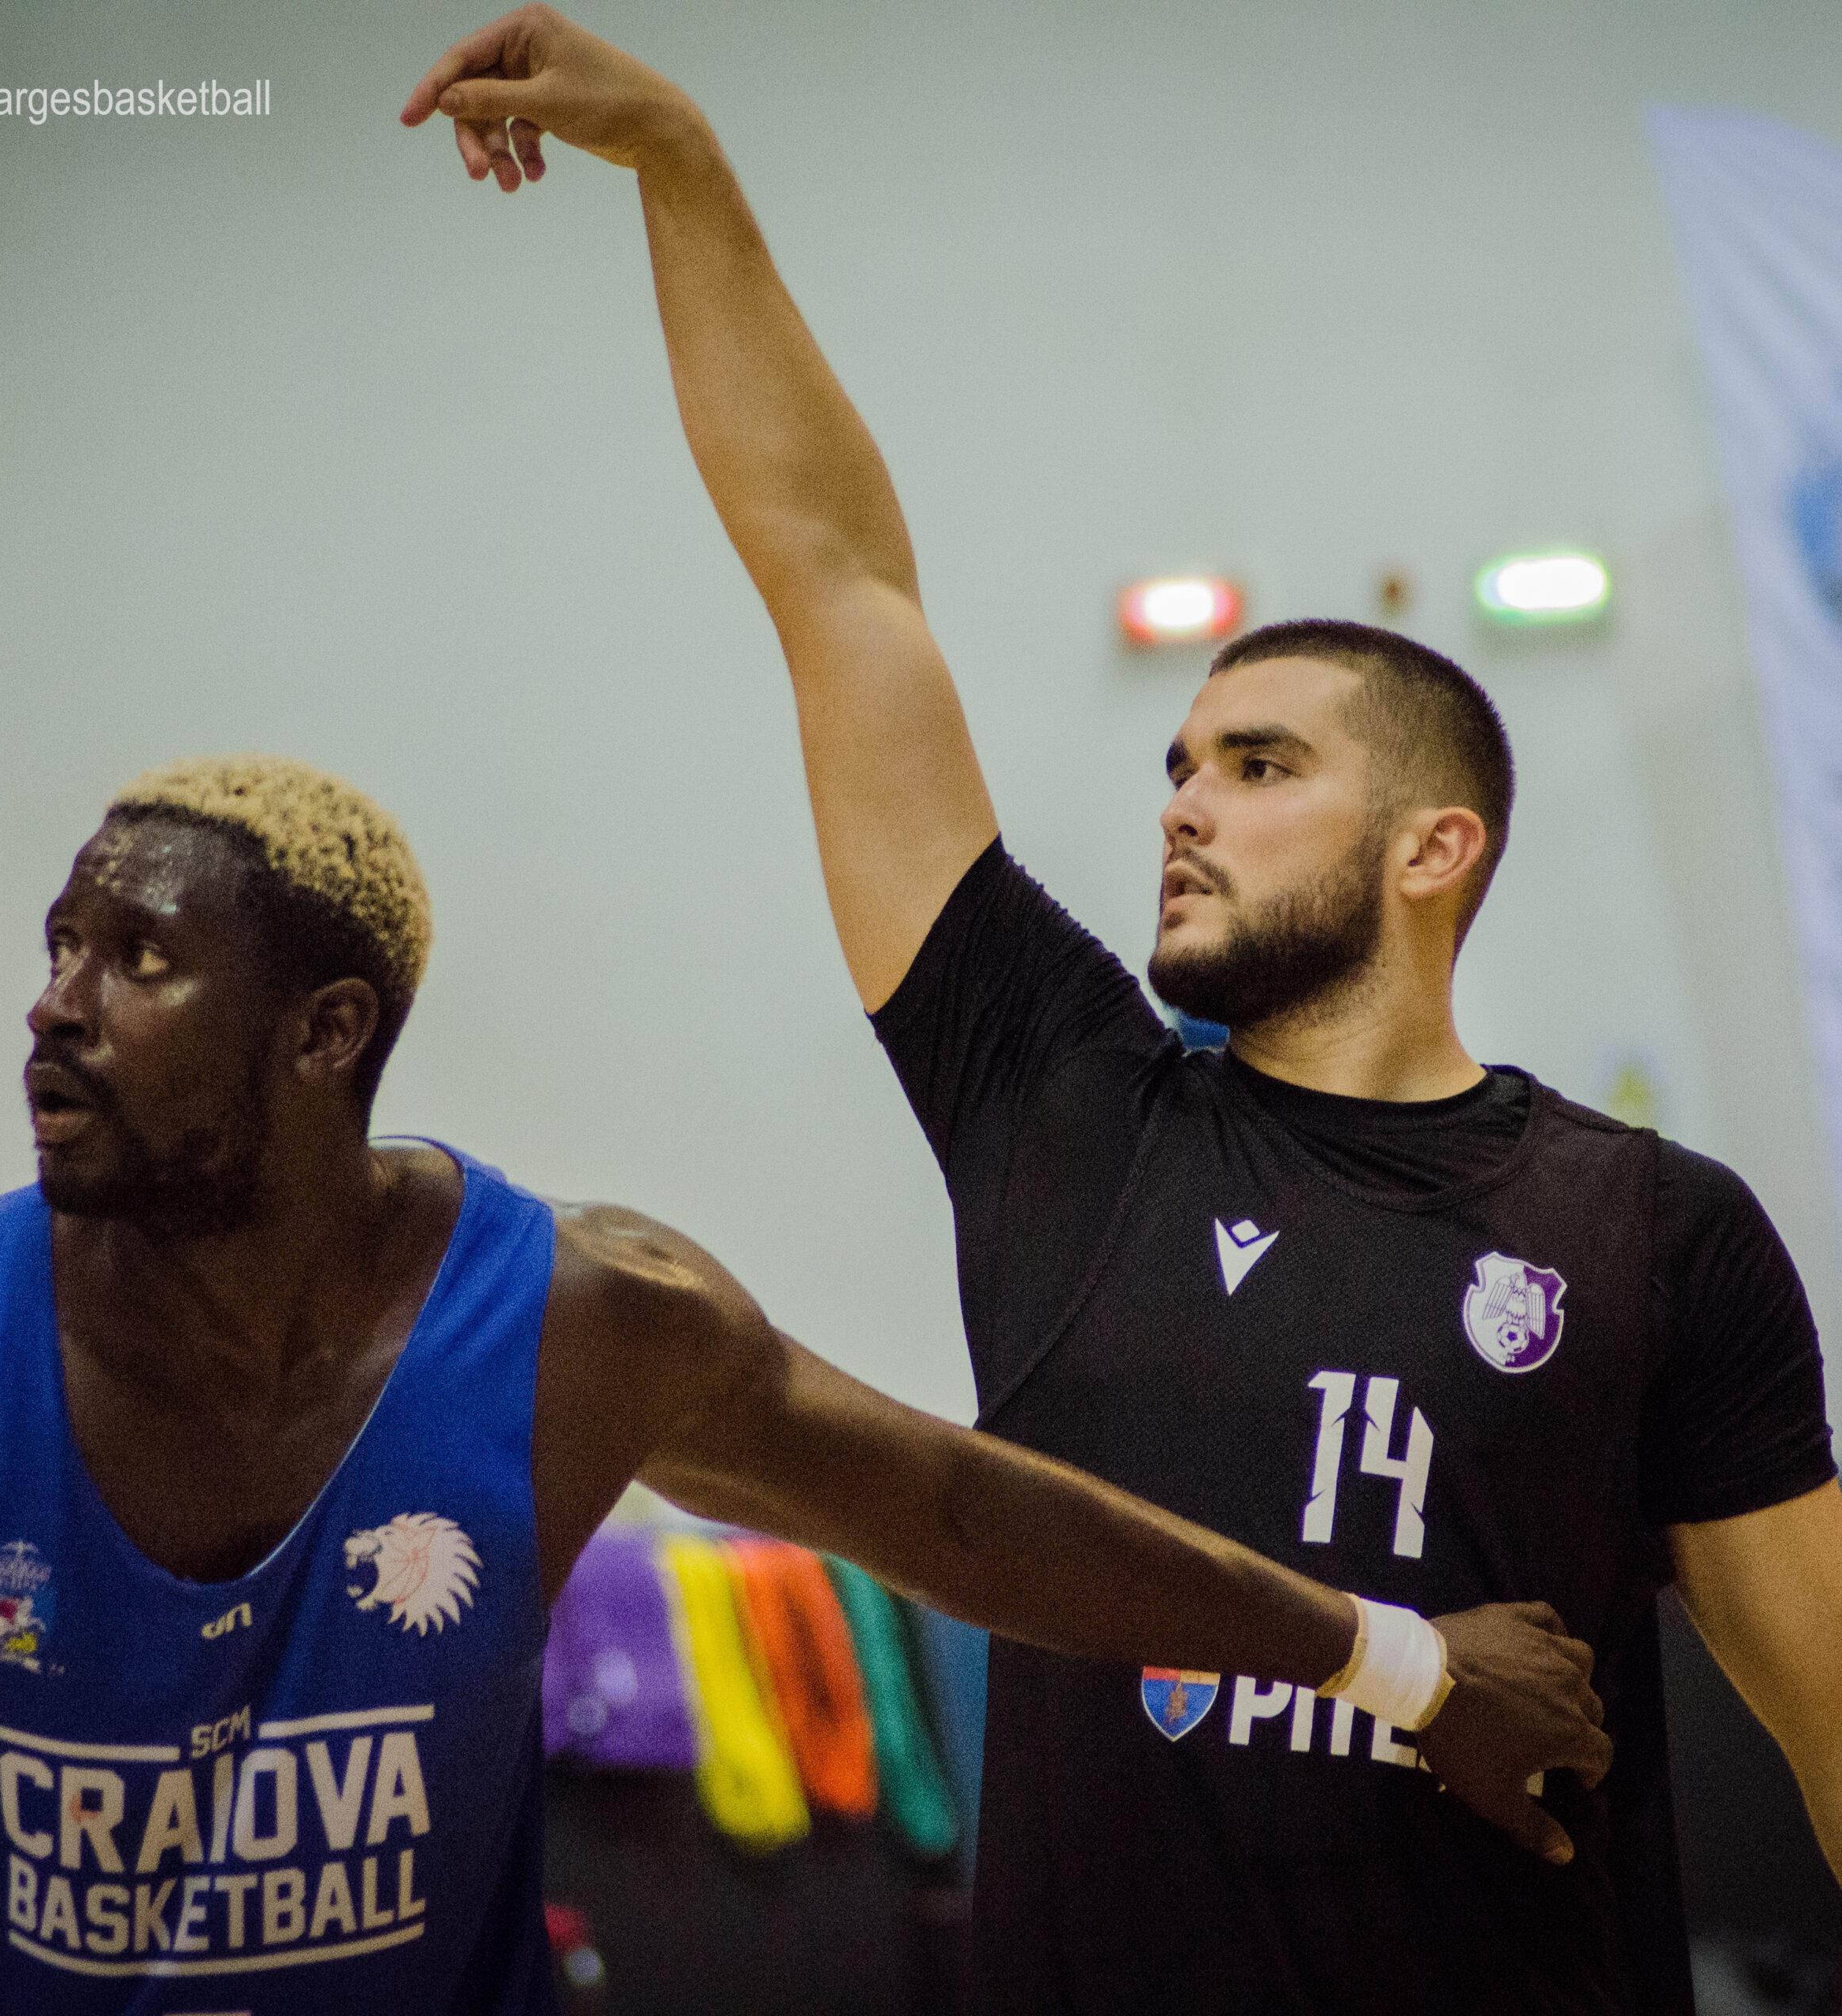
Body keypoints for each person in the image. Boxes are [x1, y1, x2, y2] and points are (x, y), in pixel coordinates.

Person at [402, 11, 1842, 2011]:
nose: (1181, 801)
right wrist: (683, 170)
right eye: (1176, 763)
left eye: (1257, 766)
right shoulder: (1061, 1101)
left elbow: (1826, 1717)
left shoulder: (1657, 1228)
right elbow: (834, 580)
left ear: (1434, 847)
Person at [0, 757, 1603, 2011]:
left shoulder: (578, 1320)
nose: (57, 1005)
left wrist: (1403, 1664)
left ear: (326, 1032)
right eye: (59, 947)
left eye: (136, 959)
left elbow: (953, 1512)